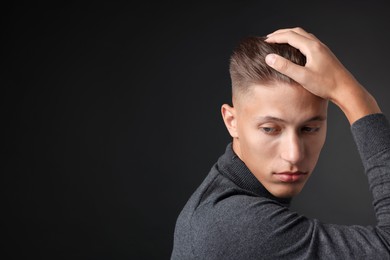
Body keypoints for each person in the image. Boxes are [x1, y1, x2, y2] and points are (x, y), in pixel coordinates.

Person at [171, 27, 390, 259]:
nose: (294, 155)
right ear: (231, 121)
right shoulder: (232, 224)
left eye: (309, 129)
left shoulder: (221, 202)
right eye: (270, 129)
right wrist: (354, 96)